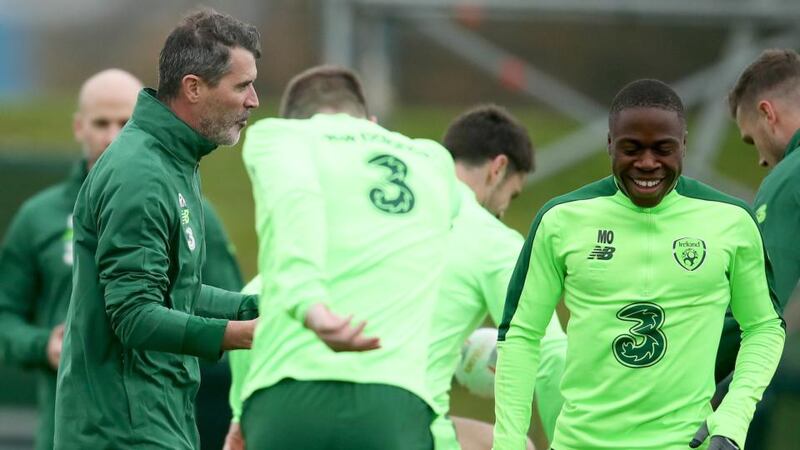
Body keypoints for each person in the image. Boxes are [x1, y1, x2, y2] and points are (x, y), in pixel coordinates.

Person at [493, 79, 785, 450]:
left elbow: (764, 327)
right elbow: (520, 335)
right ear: (610, 144)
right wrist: (508, 443)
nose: (647, 163)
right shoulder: (561, 219)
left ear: (684, 145)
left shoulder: (731, 221)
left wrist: (733, 416)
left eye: (663, 149)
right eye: (632, 149)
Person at [53, 10, 260, 449]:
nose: (254, 100)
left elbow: (176, 290)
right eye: (242, 85)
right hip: (122, 430)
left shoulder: (172, 160)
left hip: (154, 418)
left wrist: (255, 307)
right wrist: (241, 335)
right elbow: (133, 315)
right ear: (193, 87)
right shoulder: (140, 173)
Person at [235, 65, 460, 450]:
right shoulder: (435, 162)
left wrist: (311, 307)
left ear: (295, 120)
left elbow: (296, 204)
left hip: (288, 397)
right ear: (372, 122)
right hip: (396, 400)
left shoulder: (279, 136)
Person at [427, 104, 566, 450]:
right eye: (512, 194)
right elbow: (549, 357)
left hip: (291, 403)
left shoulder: (385, 204)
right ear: (498, 168)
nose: (504, 209)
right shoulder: (492, 238)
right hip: (395, 420)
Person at [719, 47, 800, 448]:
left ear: (768, 114)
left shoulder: (790, 177)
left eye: (751, 141)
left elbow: (758, 309)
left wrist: (672, 371)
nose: (760, 162)